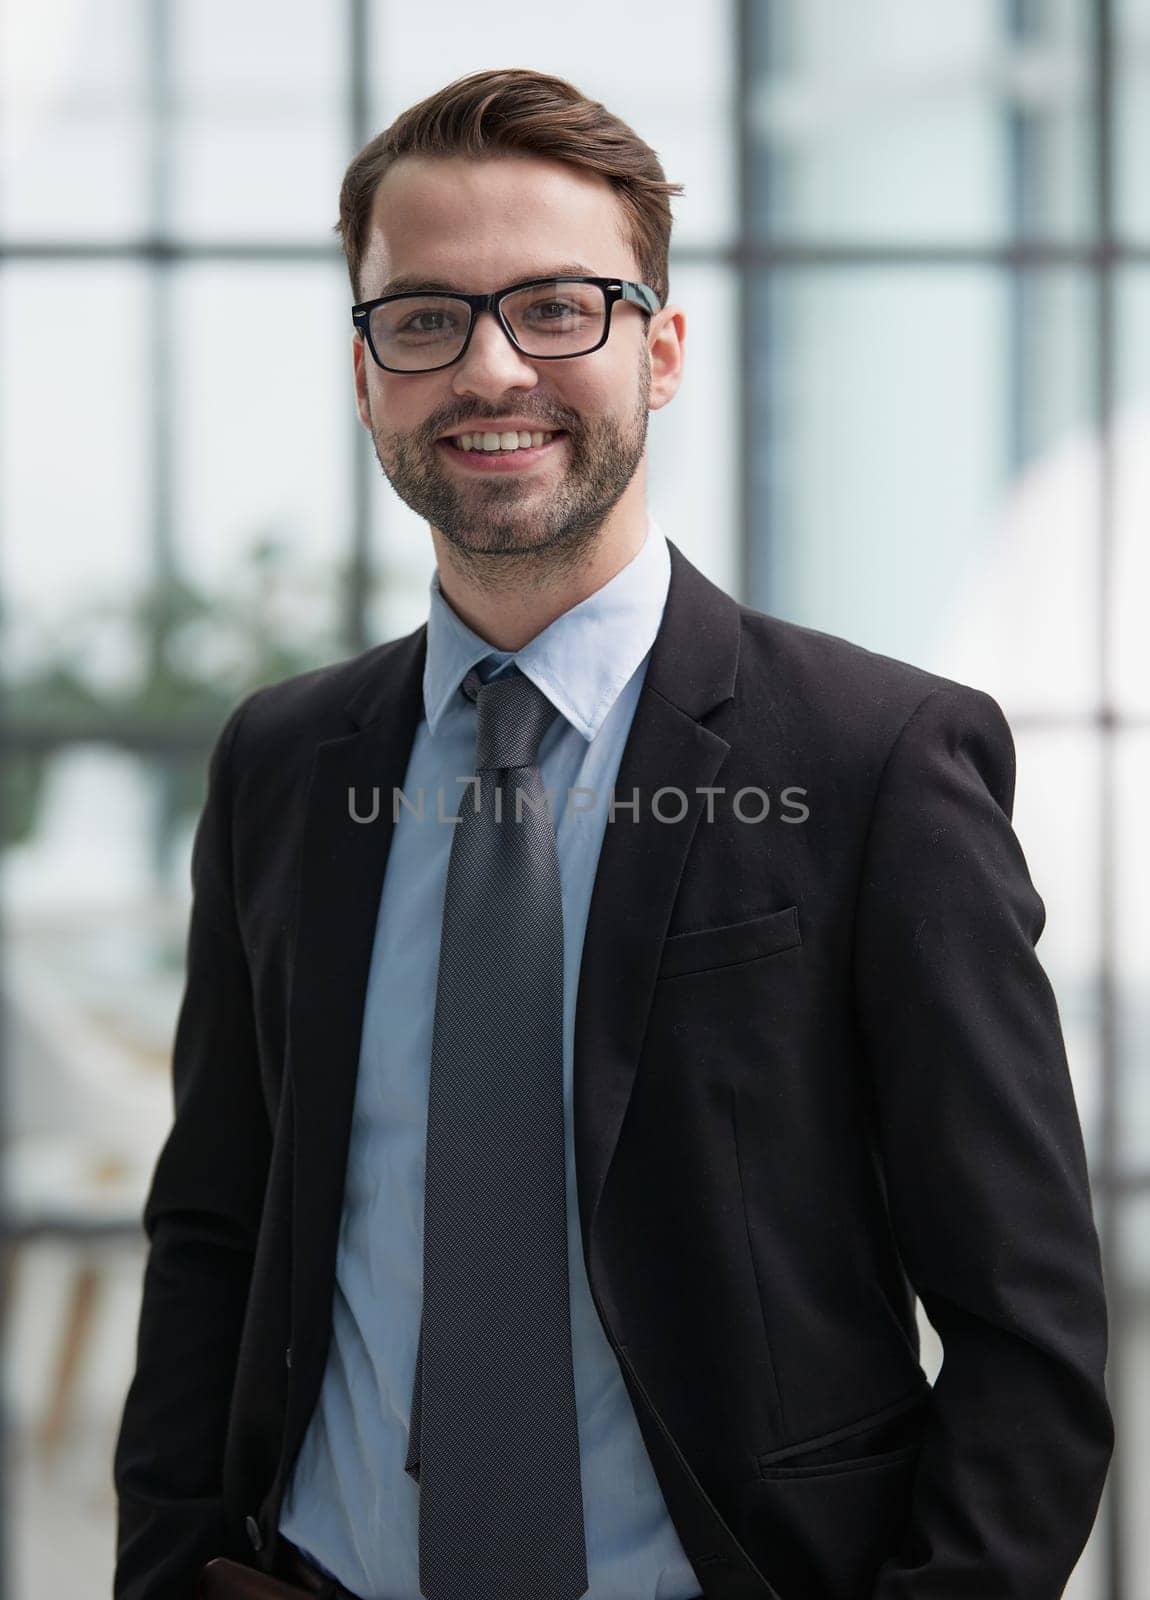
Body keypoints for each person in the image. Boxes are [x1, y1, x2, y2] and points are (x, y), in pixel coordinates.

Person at [113, 65, 1113, 1600]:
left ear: (660, 350)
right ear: (368, 370)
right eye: (427, 317)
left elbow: (1023, 1324)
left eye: (558, 308)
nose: (492, 366)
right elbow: (213, 1231)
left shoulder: (876, 760)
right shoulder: (287, 761)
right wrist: (173, 1564)